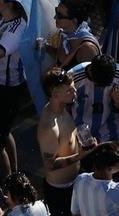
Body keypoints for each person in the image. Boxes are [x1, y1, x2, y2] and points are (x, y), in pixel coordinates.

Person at [0, 0, 30, 172]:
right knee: (3, 130)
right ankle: (15, 171)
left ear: (9, 3)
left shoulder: (17, 28)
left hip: (5, 89)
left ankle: (7, 179)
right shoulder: (4, 19)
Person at [36, 67, 84, 216]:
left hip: (75, 182)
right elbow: (50, 165)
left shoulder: (63, 108)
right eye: (69, 90)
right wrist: (81, 155)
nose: (75, 92)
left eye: (74, 87)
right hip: (60, 191)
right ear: (55, 94)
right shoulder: (49, 127)